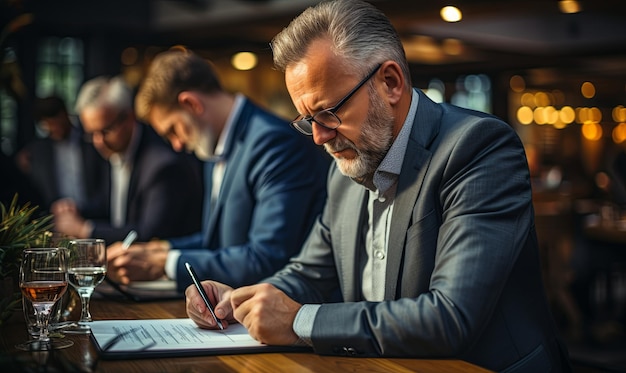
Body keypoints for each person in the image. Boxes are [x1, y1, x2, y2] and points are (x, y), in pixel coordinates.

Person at [184, 1, 571, 372]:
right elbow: (308, 274)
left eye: (328, 113)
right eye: (306, 120)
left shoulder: (478, 148)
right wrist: (241, 300)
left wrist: (301, 321)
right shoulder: (346, 167)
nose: (318, 137)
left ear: (390, 82)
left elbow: (451, 316)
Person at [106, 49, 329, 292]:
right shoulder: (212, 143)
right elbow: (222, 240)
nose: (177, 145)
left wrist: (166, 264)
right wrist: (160, 249)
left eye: (173, 130)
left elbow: (266, 258)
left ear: (191, 104)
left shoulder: (273, 143)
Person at [51, 75, 203, 244]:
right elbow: (110, 207)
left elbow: (149, 234)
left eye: (106, 131)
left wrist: (85, 229)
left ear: (129, 118)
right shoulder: (113, 149)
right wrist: (76, 209)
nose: (98, 142)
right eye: (91, 133)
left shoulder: (162, 164)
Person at [15, 95, 107, 214]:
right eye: (46, 125)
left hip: (95, 213)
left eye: (54, 123)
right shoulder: (38, 151)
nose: (51, 128)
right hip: (56, 218)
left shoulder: (91, 140)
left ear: (64, 115)